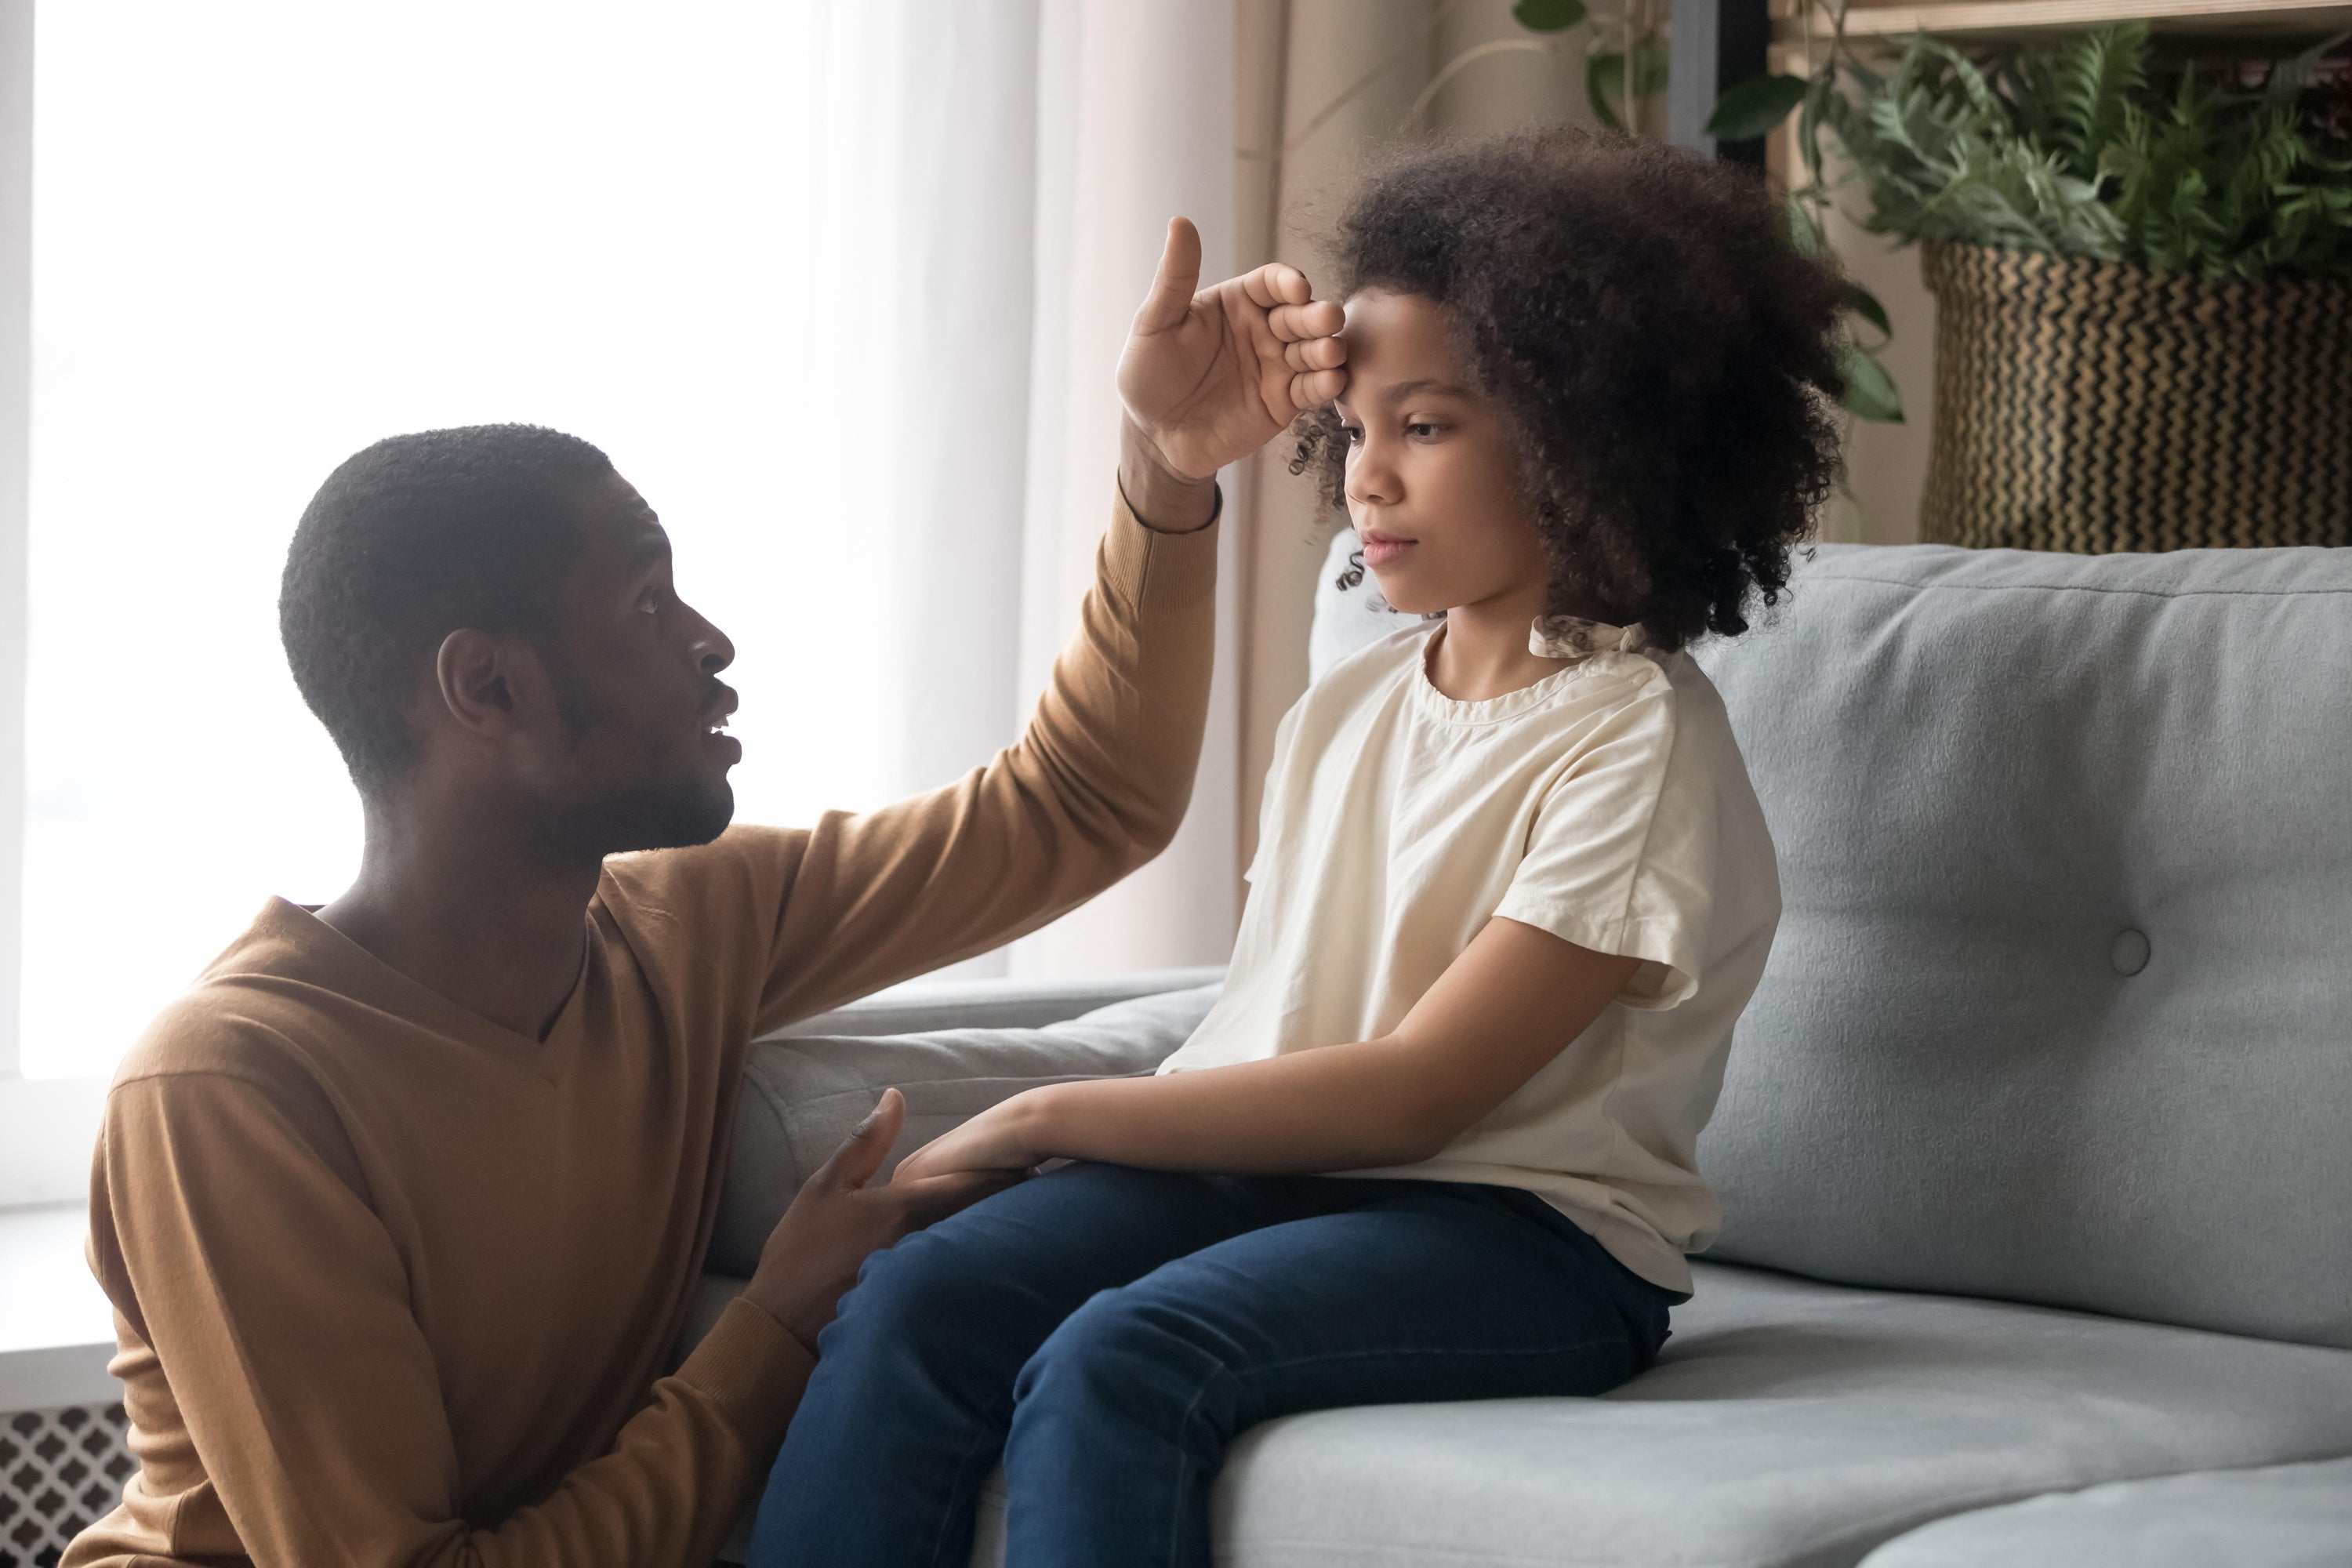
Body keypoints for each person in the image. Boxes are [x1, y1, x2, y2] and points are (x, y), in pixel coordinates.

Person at [60, 219, 1348, 1568]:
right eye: (645, 602)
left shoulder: (686, 928)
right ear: (485, 687)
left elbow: (1080, 804)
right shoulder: (232, 1093)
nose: (711, 642)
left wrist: (1164, 472)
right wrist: (775, 1332)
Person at [749, 127, 1849, 1568]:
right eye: (1358, 429)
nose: (1365, 482)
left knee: (1122, 1360)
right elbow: (1275, 1035)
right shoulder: (1354, 702)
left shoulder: (1632, 743)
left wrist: (1037, 1116)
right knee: (917, 1294)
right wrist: (1166, 449)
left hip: (1526, 1239)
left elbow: (1410, 1099)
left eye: (1430, 427)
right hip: (1290, 1179)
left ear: (1588, 443)